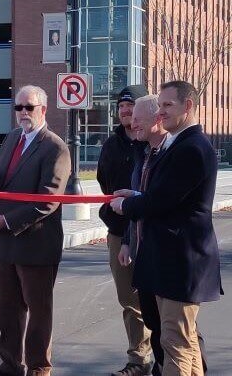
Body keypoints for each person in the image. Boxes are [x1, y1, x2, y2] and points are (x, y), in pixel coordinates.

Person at [111, 81, 222, 375]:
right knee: (183, 344)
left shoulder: (192, 149)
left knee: (175, 345)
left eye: (168, 105)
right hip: (170, 262)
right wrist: (136, 197)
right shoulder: (180, 145)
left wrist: (127, 206)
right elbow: (160, 196)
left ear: (188, 106)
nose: (161, 112)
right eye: (160, 105)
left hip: (180, 263)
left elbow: (160, 202)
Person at [0, 85, 71, 376]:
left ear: (43, 109)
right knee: (7, 309)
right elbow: (1, 171)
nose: (22, 113)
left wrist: (5, 222)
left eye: (28, 107)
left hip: (36, 242)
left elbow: (48, 200)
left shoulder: (55, 147)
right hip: (6, 243)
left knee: (38, 311)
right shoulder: (11, 139)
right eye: (18, 107)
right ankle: (10, 364)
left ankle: (38, 367)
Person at [97, 86, 153, 376]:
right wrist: (120, 232)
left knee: (165, 300)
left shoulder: (154, 143)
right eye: (121, 106)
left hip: (152, 232)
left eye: (130, 106)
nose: (125, 111)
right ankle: (138, 359)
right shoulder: (112, 144)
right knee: (130, 300)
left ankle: (177, 357)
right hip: (119, 232)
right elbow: (105, 183)